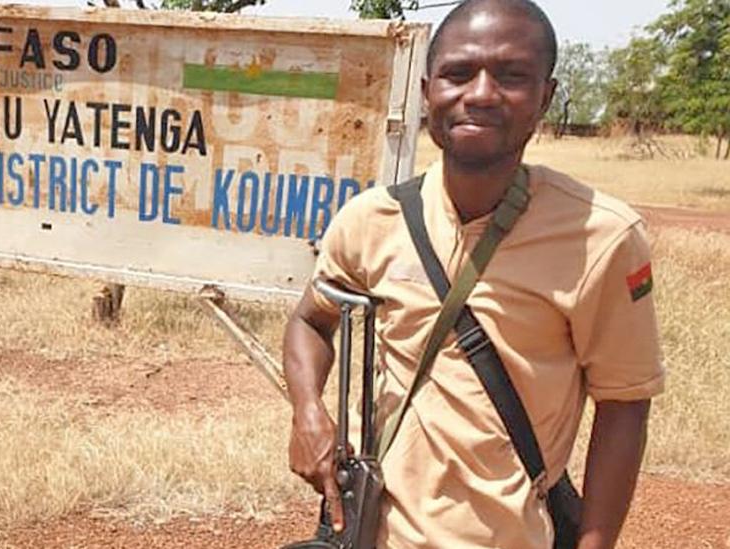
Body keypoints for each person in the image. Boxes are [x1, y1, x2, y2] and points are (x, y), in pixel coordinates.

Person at [282, 1, 665, 548]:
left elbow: (625, 404)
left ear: (546, 98)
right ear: (425, 91)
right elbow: (310, 321)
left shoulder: (601, 237)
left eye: (511, 76)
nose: (481, 93)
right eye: (458, 73)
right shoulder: (371, 220)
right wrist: (308, 412)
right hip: (380, 535)